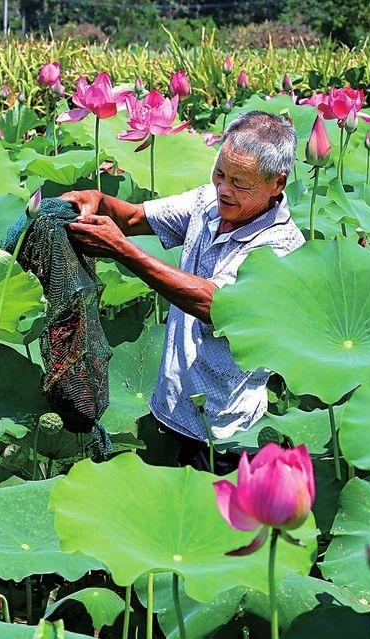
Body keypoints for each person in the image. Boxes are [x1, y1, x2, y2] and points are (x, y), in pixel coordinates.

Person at [60, 110, 305, 470]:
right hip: (169, 408)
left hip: (224, 433)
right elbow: (132, 218)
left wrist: (121, 251)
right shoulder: (208, 202)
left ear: (277, 184)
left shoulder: (282, 247)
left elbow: (215, 303)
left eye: (239, 182)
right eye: (220, 173)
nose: (224, 188)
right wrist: (98, 199)